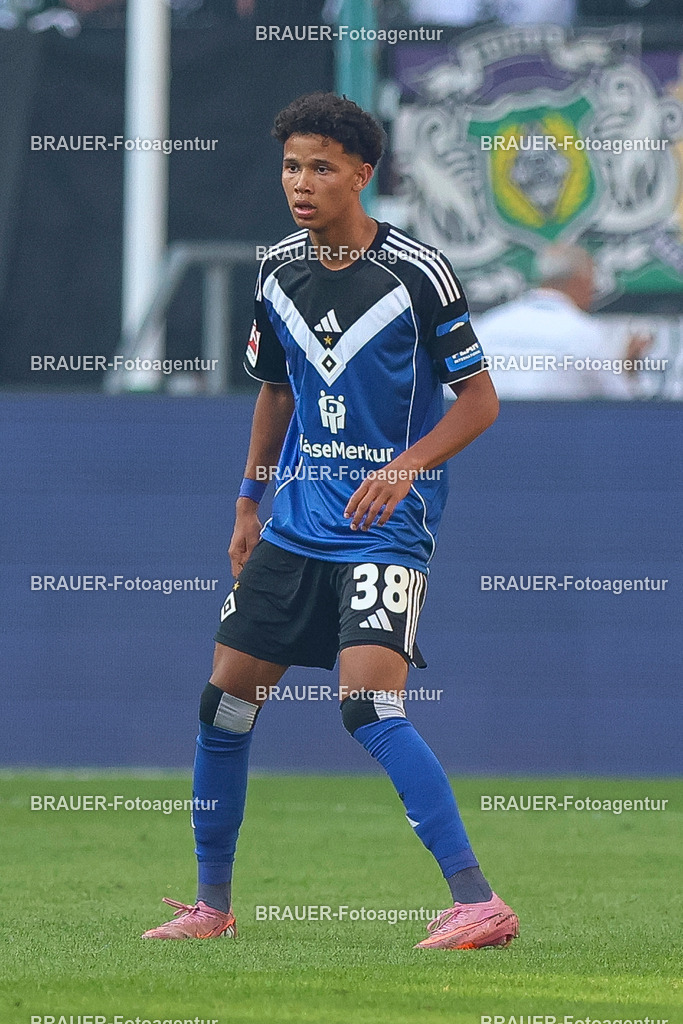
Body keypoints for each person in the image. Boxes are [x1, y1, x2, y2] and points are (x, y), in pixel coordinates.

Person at [142, 92, 519, 950]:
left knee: (367, 705)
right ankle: (210, 907)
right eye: (290, 166)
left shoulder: (417, 273)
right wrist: (248, 501)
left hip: (386, 526)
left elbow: (480, 400)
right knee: (224, 704)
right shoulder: (277, 269)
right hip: (294, 523)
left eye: (320, 166)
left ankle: (477, 902)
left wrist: (404, 466)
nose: (300, 183)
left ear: (361, 174)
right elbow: (276, 392)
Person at [474, 244, 648, 400]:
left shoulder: (488, 325)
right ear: (581, 281)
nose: (593, 290)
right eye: (592, 281)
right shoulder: (585, 333)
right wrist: (628, 370)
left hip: (493, 425)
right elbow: (618, 403)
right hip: (555, 425)